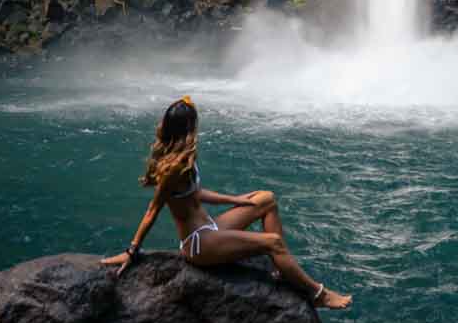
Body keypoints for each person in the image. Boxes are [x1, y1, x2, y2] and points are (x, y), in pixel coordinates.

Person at [101, 94, 352, 310]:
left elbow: (195, 193)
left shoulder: (183, 157)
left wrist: (236, 200)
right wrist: (132, 252)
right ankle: (318, 293)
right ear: (188, 127)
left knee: (265, 199)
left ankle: (282, 270)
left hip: (209, 228)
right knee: (272, 243)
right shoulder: (173, 168)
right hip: (198, 244)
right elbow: (151, 211)